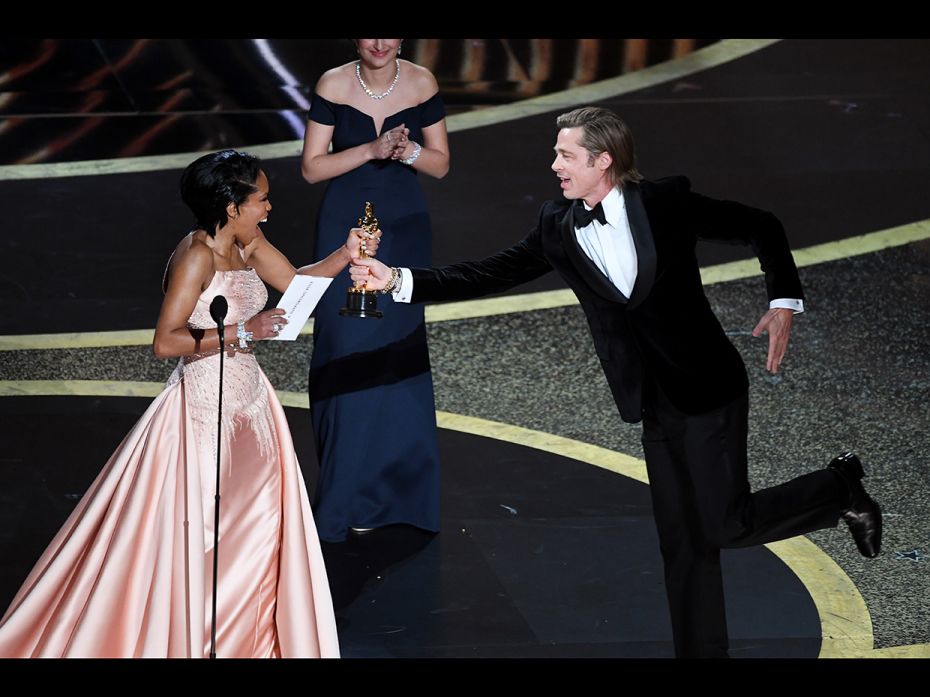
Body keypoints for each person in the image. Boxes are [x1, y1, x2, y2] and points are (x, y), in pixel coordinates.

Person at [350, 106, 883, 658]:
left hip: (707, 387)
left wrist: (783, 299)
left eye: (565, 155)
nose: (553, 163)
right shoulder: (557, 226)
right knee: (682, 544)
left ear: (603, 160)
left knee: (725, 525)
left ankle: (839, 490)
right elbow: (488, 272)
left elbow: (761, 225)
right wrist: (395, 279)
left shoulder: (665, 204)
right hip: (651, 400)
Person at [0, 149, 378, 658]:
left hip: (252, 405)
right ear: (230, 203)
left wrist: (346, 253)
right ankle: (185, 635)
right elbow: (166, 342)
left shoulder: (249, 241)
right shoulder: (196, 255)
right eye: (261, 199)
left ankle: (240, 636)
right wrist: (245, 330)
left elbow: (294, 287)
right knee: (200, 529)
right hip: (204, 409)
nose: (269, 208)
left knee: (255, 526)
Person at [300, 39, 450, 542]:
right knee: (343, 344)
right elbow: (311, 167)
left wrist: (404, 150)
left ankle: (400, 498)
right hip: (343, 222)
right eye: (370, 35)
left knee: (395, 350)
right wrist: (370, 149)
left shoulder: (421, 82)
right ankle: (342, 498)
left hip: (404, 225)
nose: (381, 44)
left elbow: (441, 163)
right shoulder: (333, 83)